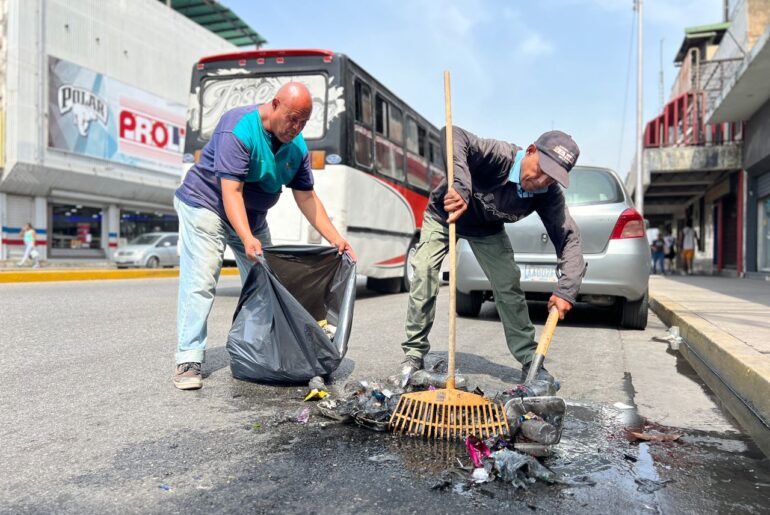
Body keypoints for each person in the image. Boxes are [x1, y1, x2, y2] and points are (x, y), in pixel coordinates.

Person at [172, 82, 356, 390]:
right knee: (202, 280)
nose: (296, 128)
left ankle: (261, 349)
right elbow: (231, 192)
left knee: (268, 283)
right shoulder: (239, 127)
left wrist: (336, 237)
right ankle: (188, 357)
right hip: (206, 204)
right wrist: (246, 237)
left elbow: (307, 198)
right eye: (292, 118)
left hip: (253, 217)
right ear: (274, 105)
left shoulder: (297, 149)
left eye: (303, 122)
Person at [400, 127, 584, 384]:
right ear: (530, 151)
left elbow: (569, 238)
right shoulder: (499, 156)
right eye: (541, 170)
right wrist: (461, 187)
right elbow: (452, 134)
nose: (542, 181)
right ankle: (414, 354)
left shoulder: (547, 195)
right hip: (444, 216)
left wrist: (567, 289)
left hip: (487, 230)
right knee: (424, 271)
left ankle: (529, 359)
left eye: (551, 178)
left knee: (508, 283)